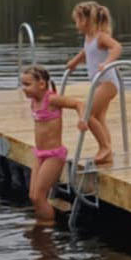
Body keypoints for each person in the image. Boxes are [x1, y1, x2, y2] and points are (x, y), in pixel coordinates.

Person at [61, 1, 123, 165]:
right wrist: (74, 62)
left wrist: (108, 62)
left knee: (87, 115)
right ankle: (107, 152)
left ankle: (105, 147)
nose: (76, 25)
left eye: (77, 20)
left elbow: (116, 47)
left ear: (86, 20)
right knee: (99, 117)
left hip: (108, 83)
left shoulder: (101, 37)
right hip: (99, 83)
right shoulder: (88, 38)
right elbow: (85, 53)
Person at [20, 64, 83, 224]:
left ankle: (46, 230)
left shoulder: (52, 99)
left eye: (27, 84)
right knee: (33, 196)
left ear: (41, 84)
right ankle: (42, 224)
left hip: (54, 155)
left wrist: (82, 119)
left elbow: (78, 104)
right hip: (39, 154)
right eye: (22, 84)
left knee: (40, 196)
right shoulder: (34, 101)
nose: (23, 88)